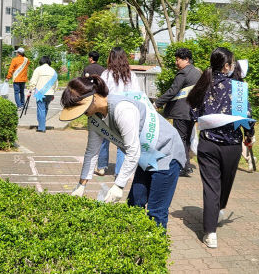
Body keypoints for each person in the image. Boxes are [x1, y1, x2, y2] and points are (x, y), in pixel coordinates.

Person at [60, 76, 186, 228]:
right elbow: (92, 152)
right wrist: (81, 185)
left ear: (93, 98)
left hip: (166, 153)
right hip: (145, 157)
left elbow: (133, 150)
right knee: (134, 205)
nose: (82, 113)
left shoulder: (122, 109)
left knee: (156, 212)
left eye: (81, 108)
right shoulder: (93, 117)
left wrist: (118, 186)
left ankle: (155, 248)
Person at [187, 47, 255, 248]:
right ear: (227, 66)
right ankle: (214, 221)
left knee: (211, 187)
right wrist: (249, 136)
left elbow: (192, 113)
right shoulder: (239, 88)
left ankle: (210, 232)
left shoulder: (203, 84)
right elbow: (247, 118)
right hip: (231, 145)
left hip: (207, 144)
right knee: (223, 184)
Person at [155, 48, 202, 177]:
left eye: (178, 60)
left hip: (181, 111)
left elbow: (173, 90)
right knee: (186, 139)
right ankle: (185, 165)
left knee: (181, 138)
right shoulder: (197, 73)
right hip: (192, 111)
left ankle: (182, 166)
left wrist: (157, 103)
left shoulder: (183, 73)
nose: (176, 62)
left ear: (186, 60)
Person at [95, 47, 141, 177]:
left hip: (109, 110)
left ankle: (102, 167)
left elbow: (101, 92)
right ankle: (120, 171)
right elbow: (137, 94)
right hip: (126, 111)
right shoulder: (131, 75)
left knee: (104, 138)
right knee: (123, 142)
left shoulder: (106, 74)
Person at [28, 56, 58, 133]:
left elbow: (33, 81)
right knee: (45, 108)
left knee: (41, 109)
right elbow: (56, 84)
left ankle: (41, 127)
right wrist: (53, 92)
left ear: (41, 61)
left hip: (40, 93)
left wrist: (30, 90)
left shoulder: (38, 69)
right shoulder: (53, 71)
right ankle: (42, 124)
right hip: (50, 93)